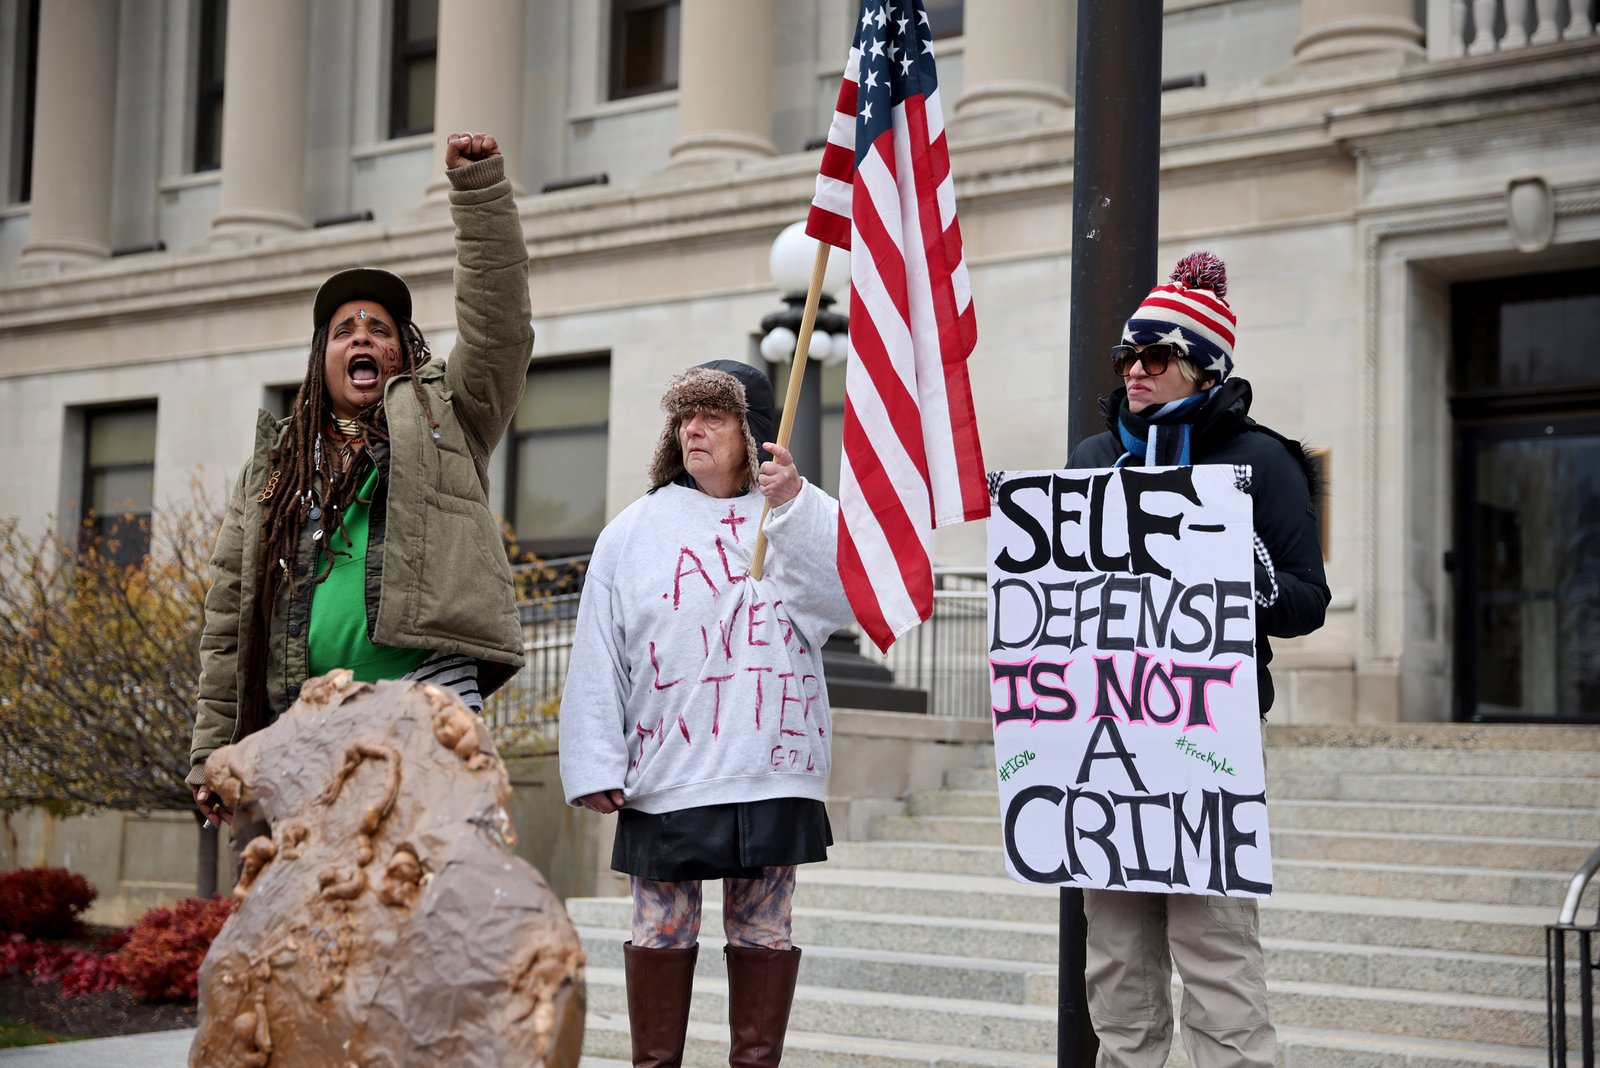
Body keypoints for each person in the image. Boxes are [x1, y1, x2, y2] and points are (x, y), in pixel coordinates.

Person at [188, 132, 533, 863]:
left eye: (379, 328)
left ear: (403, 352)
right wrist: (214, 753)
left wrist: (480, 198)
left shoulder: (448, 417)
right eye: (344, 331)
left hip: (429, 703)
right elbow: (228, 624)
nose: (362, 338)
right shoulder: (272, 469)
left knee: (429, 891)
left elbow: (500, 330)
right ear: (322, 360)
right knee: (319, 904)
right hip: (306, 722)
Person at [1066, 251, 1330, 1068]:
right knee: (1116, 957)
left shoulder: (1262, 460)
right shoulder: (1094, 457)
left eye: (1156, 356)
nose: (1134, 371)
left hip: (1209, 734)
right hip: (1110, 734)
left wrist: (1248, 575)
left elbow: (1307, 601)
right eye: (1127, 356)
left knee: (1215, 949)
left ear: (1204, 367)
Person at [558, 360, 854, 1068]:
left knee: (764, 933)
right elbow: (599, 649)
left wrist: (795, 505)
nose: (692, 429)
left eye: (713, 416)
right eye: (685, 416)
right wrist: (593, 761)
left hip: (771, 768)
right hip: (668, 770)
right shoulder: (634, 530)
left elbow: (845, 601)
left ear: (752, 433)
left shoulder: (795, 514)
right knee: (659, 933)